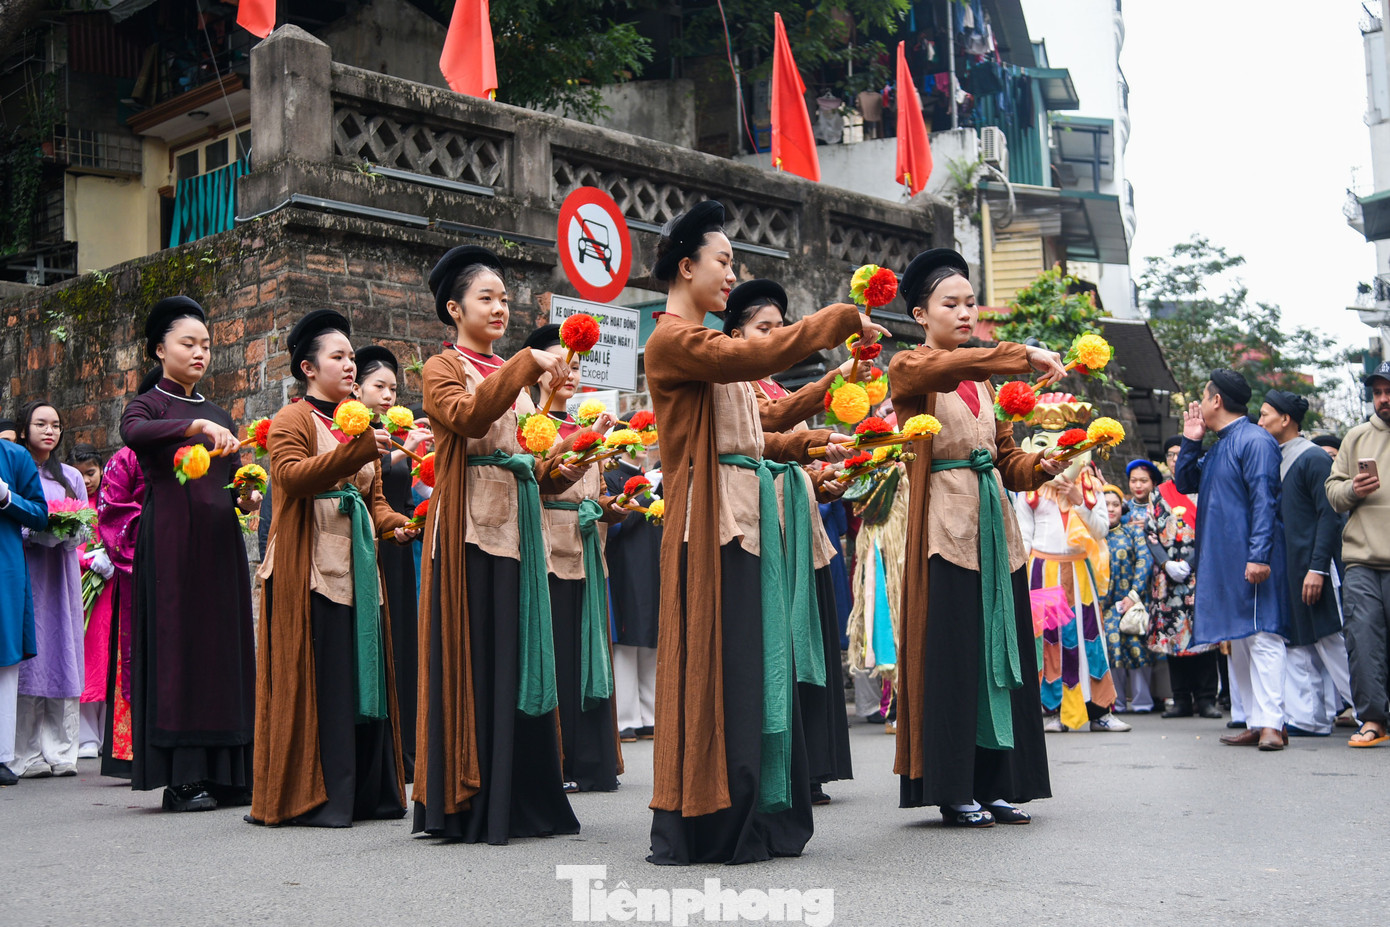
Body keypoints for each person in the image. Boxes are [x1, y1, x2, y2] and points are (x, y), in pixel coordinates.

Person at [642, 201, 874, 864]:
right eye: (723, 262)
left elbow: (762, 429)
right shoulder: (674, 341)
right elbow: (761, 355)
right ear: (686, 267)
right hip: (710, 523)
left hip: (744, 520)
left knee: (752, 665)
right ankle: (715, 815)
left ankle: (755, 808)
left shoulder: (713, 353)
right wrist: (837, 318)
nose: (730, 275)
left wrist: (817, 426)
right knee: (725, 668)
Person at [888, 248, 1067, 828]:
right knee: (957, 656)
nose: (965, 313)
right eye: (951, 304)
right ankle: (954, 786)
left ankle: (997, 783)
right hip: (945, 530)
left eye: (970, 302)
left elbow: (1005, 458)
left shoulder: (983, 382)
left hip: (996, 528)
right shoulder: (910, 368)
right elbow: (943, 369)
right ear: (920, 314)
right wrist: (1019, 355)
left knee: (1001, 653)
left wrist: (1041, 465)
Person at [412, 245, 579, 844]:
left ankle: (524, 795)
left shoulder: (515, 374)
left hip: (519, 526)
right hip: (472, 530)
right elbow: (469, 418)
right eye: (486, 298)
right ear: (454, 309)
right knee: (482, 655)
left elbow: (533, 462)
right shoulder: (442, 367)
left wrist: (571, 462)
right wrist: (527, 365)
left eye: (505, 298)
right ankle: (476, 798)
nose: (500, 307)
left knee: (519, 654)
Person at [253, 310, 414, 826]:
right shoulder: (293, 419)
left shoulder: (359, 422)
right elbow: (291, 478)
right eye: (338, 356)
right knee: (324, 677)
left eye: (351, 356)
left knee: (360, 671)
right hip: (307, 566)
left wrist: (398, 524)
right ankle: (318, 795)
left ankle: (364, 793)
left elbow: (373, 500)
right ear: (308, 368)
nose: (349, 365)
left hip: (358, 567)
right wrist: (356, 451)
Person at [120, 296, 258, 810]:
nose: (200, 352)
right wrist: (193, 428)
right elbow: (133, 433)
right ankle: (182, 779)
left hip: (220, 544)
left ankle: (228, 772)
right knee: (180, 648)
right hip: (172, 543)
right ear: (160, 350)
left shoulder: (218, 413)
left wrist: (247, 495)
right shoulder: (149, 404)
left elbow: (231, 483)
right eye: (188, 343)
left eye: (206, 344)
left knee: (222, 648)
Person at [725, 278, 857, 804]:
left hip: (802, 524)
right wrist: (833, 383)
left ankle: (814, 763)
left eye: (781, 328)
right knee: (780, 643)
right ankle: (785, 763)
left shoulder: (775, 387)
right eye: (765, 328)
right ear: (735, 335)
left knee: (811, 639)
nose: (775, 337)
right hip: (765, 527)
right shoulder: (733, 385)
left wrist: (826, 480)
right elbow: (772, 438)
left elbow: (793, 457)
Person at [524, 321, 623, 794]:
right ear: (538, 370)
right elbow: (537, 478)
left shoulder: (590, 427)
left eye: (577, 366)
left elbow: (597, 494)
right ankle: (558, 759)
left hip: (587, 546)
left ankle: (592, 759)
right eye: (560, 364)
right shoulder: (531, 424)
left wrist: (615, 507)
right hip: (547, 544)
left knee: (590, 651)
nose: (569, 373)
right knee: (559, 649)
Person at [1175, 369, 1289, 751]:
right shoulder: (1219, 445)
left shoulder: (1256, 440)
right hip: (1224, 560)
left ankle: (1273, 723)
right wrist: (1191, 440)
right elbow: (1185, 482)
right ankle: (1256, 721)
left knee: (1263, 636)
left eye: (1203, 396)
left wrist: (1258, 555)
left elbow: (1265, 501)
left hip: (1251, 559)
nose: (1200, 404)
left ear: (1217, 400)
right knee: (1240, 640)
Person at [1016, 400, 1129, 733]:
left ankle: (1099, 711)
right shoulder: (1030, 487)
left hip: (1079, 573)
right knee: (1049, 642)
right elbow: (1023, 535)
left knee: (1089, 637)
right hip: (1042, 571)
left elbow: (1102, 530)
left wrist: (1079, 502)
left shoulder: (1089, 486)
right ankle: (1053, 712)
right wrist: (1020, 577)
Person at [354, 343, 431, 782]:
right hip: (368, 543)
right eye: (378, 386)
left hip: (400, 544)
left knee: (404, 642)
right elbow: (360, 478)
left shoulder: (393, 431)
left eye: (393, 389)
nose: (387, 395)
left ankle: (408, 749)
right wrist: (403, 452)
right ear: (357, 388)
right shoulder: (351, 429)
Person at [1257, 390, 1353, 737]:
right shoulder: (1273, 457)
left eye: (1265, 414)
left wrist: (1317, 568)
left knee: (1331, 640)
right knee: (1298, 642)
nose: (1260, 421)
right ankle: (1309, 719)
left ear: (1286, 419)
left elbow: (1330, 516)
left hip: (1314, 567)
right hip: (1289, 569)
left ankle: (1373, 710)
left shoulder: (1313, 458)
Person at [11, 402, 87, 779]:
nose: (49, 431)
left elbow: (86, 523)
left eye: (55, 425)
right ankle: (24, 753)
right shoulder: (16, 471)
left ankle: (62, 751)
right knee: (31, 660)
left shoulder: (71, 476)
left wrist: (69, 533)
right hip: (28, 573)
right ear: (24, 430)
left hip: (62, 576)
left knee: (64, 654)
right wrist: (37, 531)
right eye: (41, 424)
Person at [1326, 360, 1390, 747]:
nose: (1383, 399)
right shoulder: (1357, 437)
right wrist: (1354, 489)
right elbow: (1333, 494)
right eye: (1378, 392)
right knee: (1363, 642)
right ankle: (1373, 720)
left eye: (1389, 392)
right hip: (1362, 561)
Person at [1129, 457, 1218, 719]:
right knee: (1171, 635)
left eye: (1181, 453)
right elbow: (1150, 532)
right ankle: (1180, 699)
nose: (1177, 459)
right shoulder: (1159, 493)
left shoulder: (1206, 489)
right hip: (1167, 579)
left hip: (1199, 574)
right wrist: (1166, 563)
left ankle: (1206, 699)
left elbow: (1210, 530)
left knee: (1203, 637)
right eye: (1171, 455)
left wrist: (1189, 563)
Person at [0, 430, 48, 785]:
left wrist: (6, 497)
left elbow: (40, 514)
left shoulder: (14, 457)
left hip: (4, 567)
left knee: (4, 662)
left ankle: (2, 755)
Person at [605, 446, 661, 744]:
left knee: (651, 639)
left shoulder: (654, 477)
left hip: (652, 565)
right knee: (628, 644)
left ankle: (650, 715)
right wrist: (643, 492)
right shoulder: (611, 476)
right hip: (625, 566)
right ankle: (626, 717)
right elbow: (616, 526)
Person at [95, 442, 144, 780]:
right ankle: (129, 751)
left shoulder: (194, 451)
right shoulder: (125, 460)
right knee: (133, 653)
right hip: (138, 566)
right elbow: (112, 512)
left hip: (182, 568)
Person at [68, 442, 114, 759]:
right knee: (88, 656)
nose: (86, 480)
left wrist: (113, 556)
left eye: (91, 472)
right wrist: (86, 559)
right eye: (80, 474)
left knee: (108, 654)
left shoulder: (112, 501)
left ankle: (108, 734)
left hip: (110, 587)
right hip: (81, 588)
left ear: (101, 471)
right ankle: (85, 735)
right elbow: (64, 543)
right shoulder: (69, 506)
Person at [1101, 483, 1156, 713]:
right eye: (1106, 504)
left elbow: (1144, 560)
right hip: (1104, 605)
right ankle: (1116, 701)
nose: (1111, 509)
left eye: (1115, 504)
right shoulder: (1093, 535)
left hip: (1133, 601)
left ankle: (1143, 701)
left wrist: (1134, 594)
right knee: (1111, 646)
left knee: (1136, 645)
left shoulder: (1132, 532)